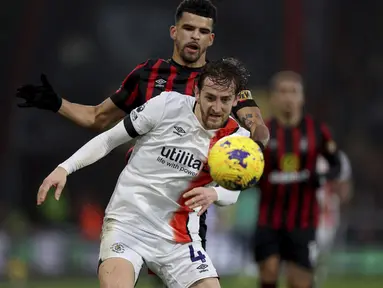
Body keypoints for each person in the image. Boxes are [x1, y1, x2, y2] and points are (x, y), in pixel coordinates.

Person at [15, 0, 269, 252]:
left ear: (211, 39)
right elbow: (98, 118)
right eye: (189, 28)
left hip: (188, 211)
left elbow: (256, 126)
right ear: (174, 31)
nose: (195, 37)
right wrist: (57, 103)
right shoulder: (147, 75)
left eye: (203, 31)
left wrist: (252, 153)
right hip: (138, 203)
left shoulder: (220, 84)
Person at [36, 58, 254, 288]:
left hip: (179, 239)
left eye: (225, 100)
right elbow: (109, 139)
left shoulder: (237, 140)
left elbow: (233, 191)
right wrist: (65, 168)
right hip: (128, 225)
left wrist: (215, 194)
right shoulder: (166, 105)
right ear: (197, 91)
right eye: (210, 97)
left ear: (236, 99)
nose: (216, 108)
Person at [253, 71, 342, 288]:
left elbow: (336, 165)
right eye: (282, 92)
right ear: (273, 97)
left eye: (293, 92)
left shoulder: (317, 131)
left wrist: (321, 177)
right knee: (269, 271)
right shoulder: (260, 133)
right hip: (268, 219)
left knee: (299, 282)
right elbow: (248, 169)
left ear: (302, 98)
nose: (288, 97)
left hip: (303, 222)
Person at [315, 151, 352, 288]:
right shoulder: (305, 152)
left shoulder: (339, 158)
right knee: (309, 254)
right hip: (308, 213)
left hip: (328, 214)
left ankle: (316, 282)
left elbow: (344, 186)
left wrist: (341, 196)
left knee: (322, 256)